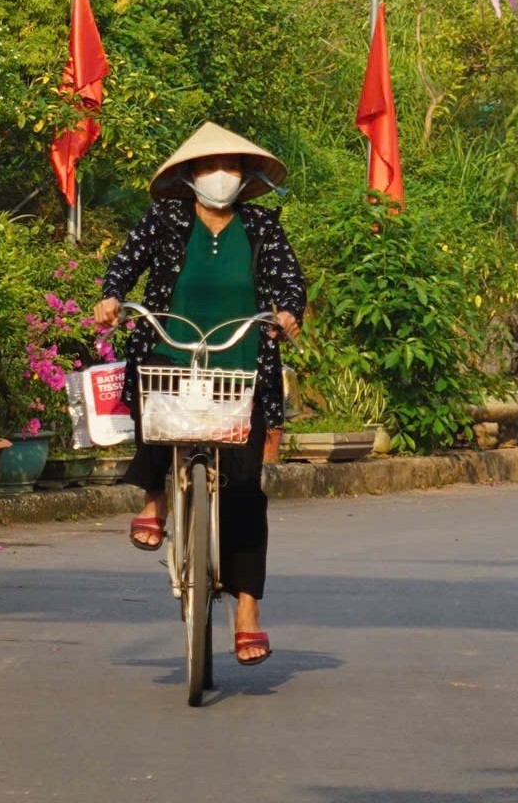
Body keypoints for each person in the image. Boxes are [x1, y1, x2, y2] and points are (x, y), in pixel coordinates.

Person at [92, 122, 306, 668]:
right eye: (212, 167)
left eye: (233, 167)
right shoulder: (164, 220)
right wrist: (113, 296)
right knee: (158, 412)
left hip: (242, 366)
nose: (222, 176)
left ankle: (248, 611)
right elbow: (126, 261)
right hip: (172, 354)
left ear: (246, 177)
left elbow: (289, 283)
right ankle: (153, 501)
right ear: (190, 176)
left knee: (243, 491)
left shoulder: (261, 227)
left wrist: (286, 313)